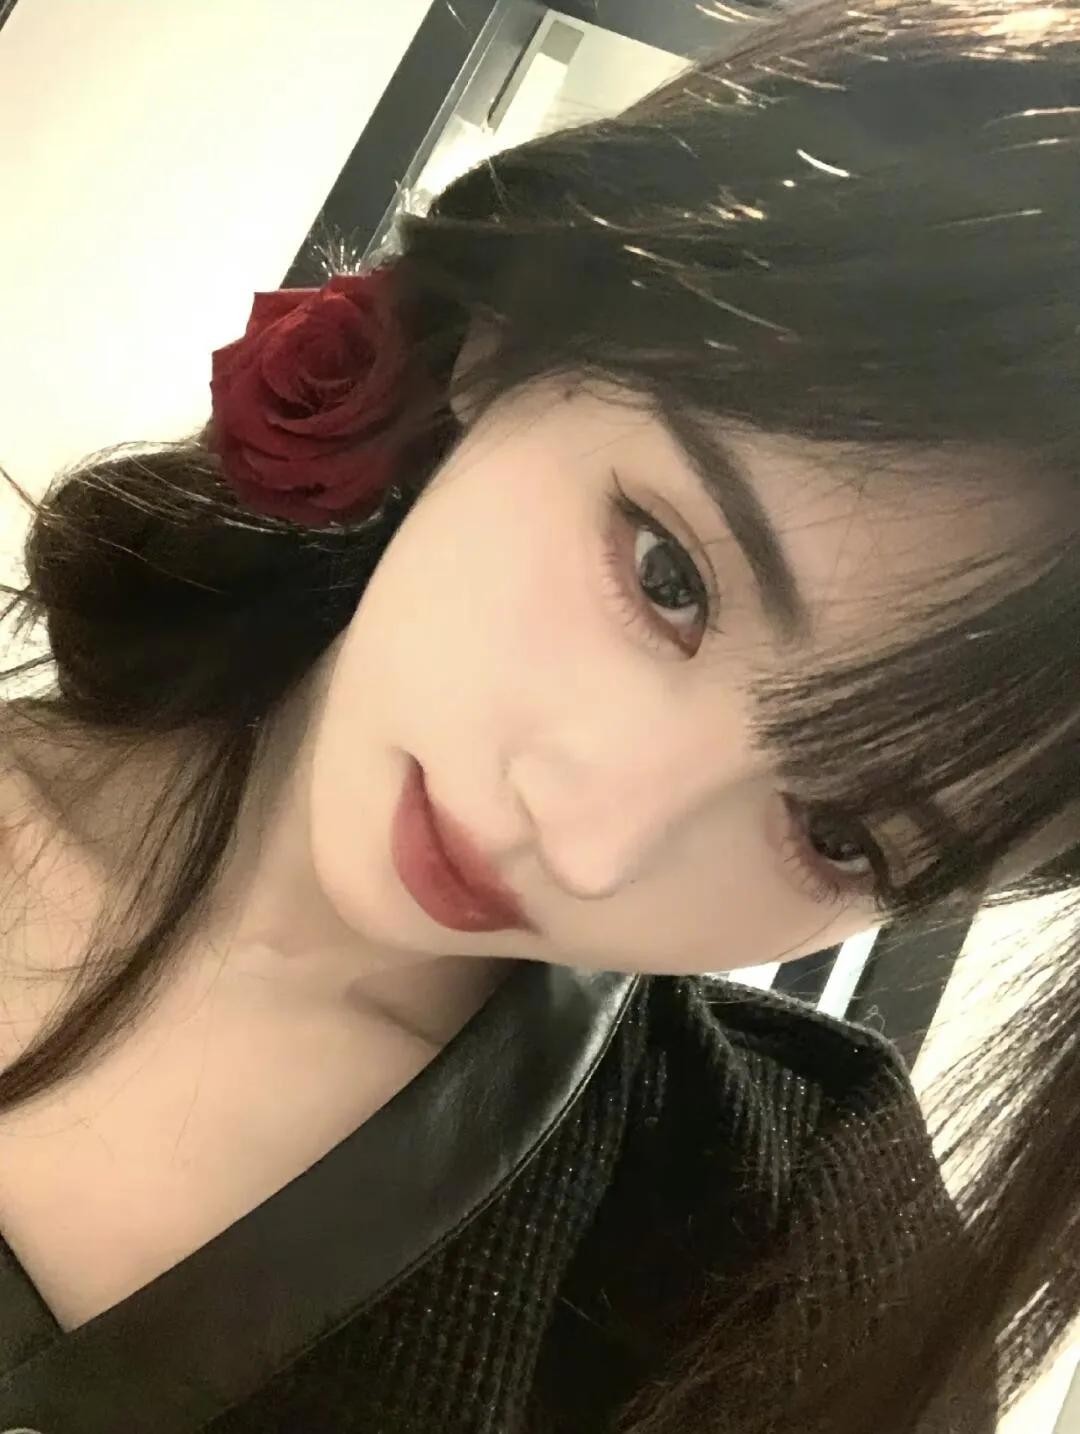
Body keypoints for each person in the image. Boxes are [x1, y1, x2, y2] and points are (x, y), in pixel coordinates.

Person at [0, 0, 1075, 1428]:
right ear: (505, 338)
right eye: (670, 575)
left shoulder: (795, 1253)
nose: (589, 842)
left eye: (841, 834)